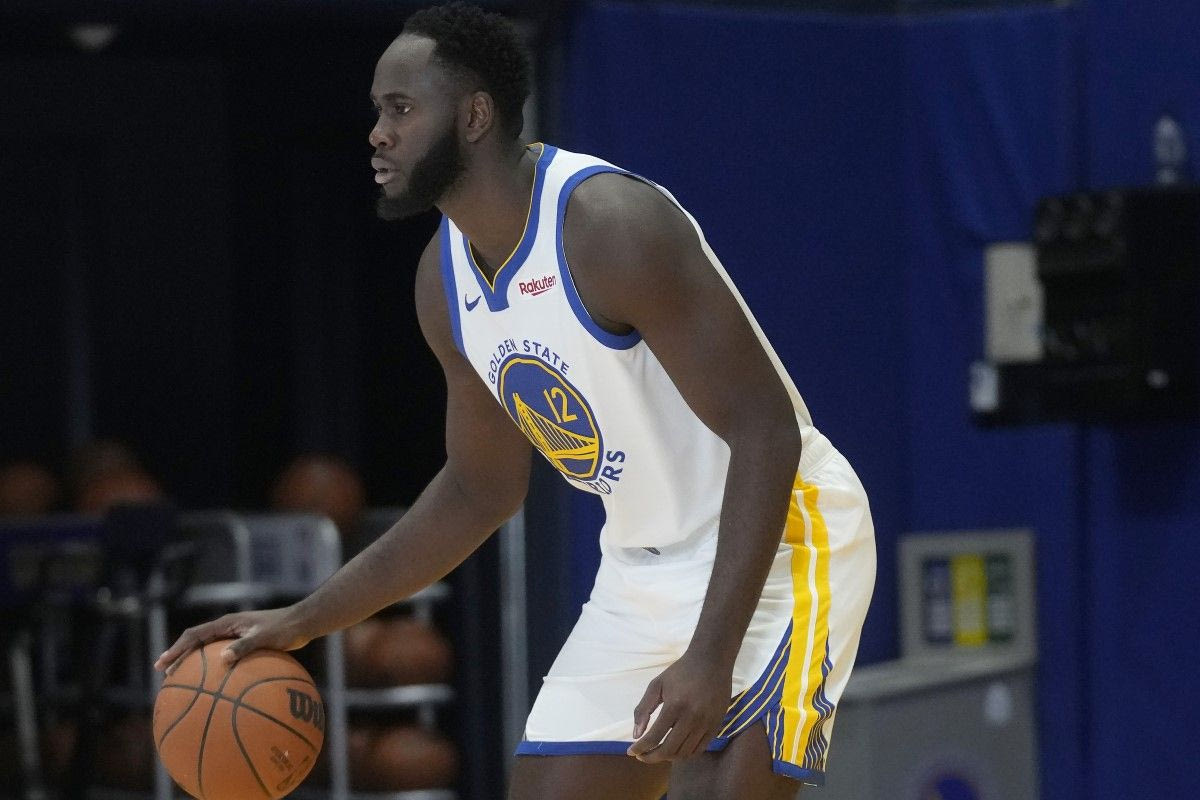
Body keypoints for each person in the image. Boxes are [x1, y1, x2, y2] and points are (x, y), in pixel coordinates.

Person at [155, 4, 876, 798]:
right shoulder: (444, 283)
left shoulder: (610, 226)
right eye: (377, 111)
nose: (377, 134)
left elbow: (766, 432)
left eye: (401, 109)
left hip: (782, 538)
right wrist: (304, 619)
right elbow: (479, 489)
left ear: (474, 116)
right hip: (640, 569)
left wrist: (711, 655)